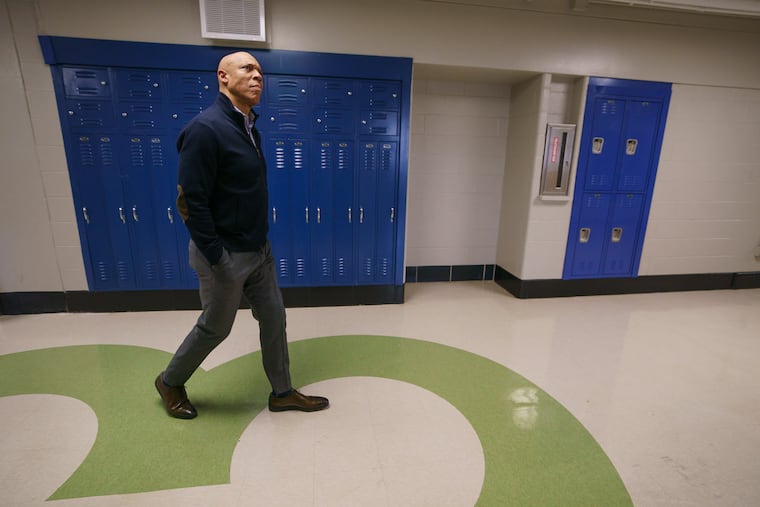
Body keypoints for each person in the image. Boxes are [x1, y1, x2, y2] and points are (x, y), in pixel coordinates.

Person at [154, 51, 329, 419]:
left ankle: (282, 392)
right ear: (223, 76)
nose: (257, 76)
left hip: (257, 249)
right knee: (216, 328)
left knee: (274, 316)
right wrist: (218, 258)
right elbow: (191, 202)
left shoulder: (248, 126)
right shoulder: (205, 129)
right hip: (225, 254)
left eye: (260, 72)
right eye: (248, 69)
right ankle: (170, 381)